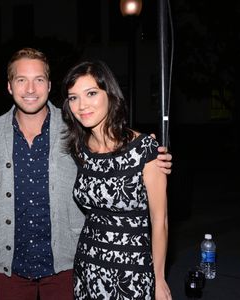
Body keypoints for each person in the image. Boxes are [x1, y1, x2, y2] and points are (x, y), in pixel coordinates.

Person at [0, 48, 172, 300]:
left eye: (38, 79)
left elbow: (112, 145)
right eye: (21, 80)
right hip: (9, 269)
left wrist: (150, 154)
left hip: (68, 267)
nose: (30, 89)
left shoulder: (75, 127)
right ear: (9, 86)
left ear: (49, 85)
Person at [61, 60, 172, 300]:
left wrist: (159, 277)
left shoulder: (144, 149)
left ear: (110, 94)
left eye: (91, 93)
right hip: (88, 265)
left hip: (131, 271)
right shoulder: (80, 150)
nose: (81, 105)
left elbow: (159, 219)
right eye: (73, 98)